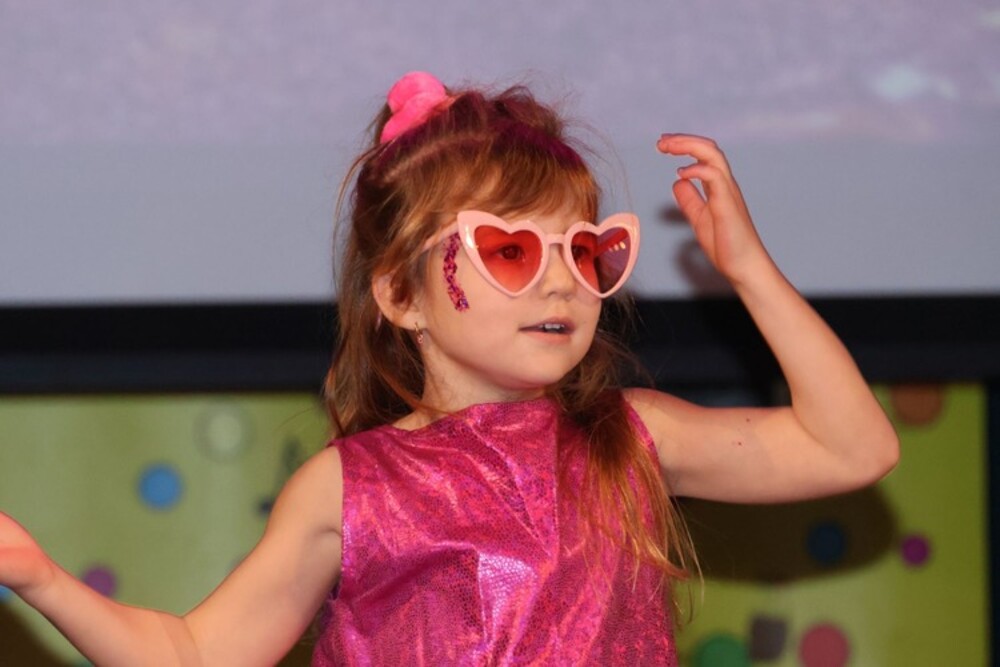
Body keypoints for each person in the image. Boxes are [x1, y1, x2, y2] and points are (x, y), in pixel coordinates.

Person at [0, 71, 899, 666]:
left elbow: (853, 447)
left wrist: (747, 270)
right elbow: (195, 651)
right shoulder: (350, 488)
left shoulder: (631, 438)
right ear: (402, 294)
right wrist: (42, 578)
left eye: (586, 250)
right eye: (510, 249)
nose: (561, 278)